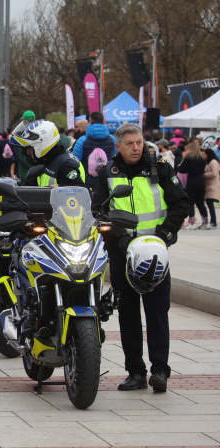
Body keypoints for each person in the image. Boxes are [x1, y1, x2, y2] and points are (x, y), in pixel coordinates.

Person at [92, 122, 189, 393]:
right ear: (119, 146)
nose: (136, 148)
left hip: (154, 253)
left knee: (158, 313)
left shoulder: (160, 169)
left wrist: (165, 233)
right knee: (129, 314)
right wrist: (118, 237)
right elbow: (99, 211)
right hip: (122, 253)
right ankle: (135, 371)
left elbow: (181, 204)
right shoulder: (107, 174)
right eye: (130, 144)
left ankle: (160, 370)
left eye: (139, 142)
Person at [14, 120, 86, 187]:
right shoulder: (48, 160)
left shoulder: (65, 165)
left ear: (41, 145)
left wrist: (61, 188)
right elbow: (29, 186)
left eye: (30, 148)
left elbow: (82, 191)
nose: (28, 152)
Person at [72, 112, 117, 187]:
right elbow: (116, 158)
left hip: (87, 182)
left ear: (90, 122)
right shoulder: (112, 139)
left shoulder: (82, 140)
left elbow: (74, 162)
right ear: (103, 122)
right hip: (108, 180)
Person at [177, 138, 209, 229]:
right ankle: (205, 222)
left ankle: (192, 223)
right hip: (201, 180)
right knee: (200, 202)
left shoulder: (188, 158)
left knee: (191, 202)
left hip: (192, 180)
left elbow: (182, 170)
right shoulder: (202, 158)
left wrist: (178, 166)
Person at [202, 146, 220, 228]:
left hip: (212, 185)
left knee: (210, 203)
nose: (204, 156)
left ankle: (214, 221)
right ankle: (212, 221)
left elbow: (214, 173)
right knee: (209, 204)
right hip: (209, 185)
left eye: (204, 154)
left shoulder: (213, 162)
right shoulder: (208, 162)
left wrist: (204, 175)